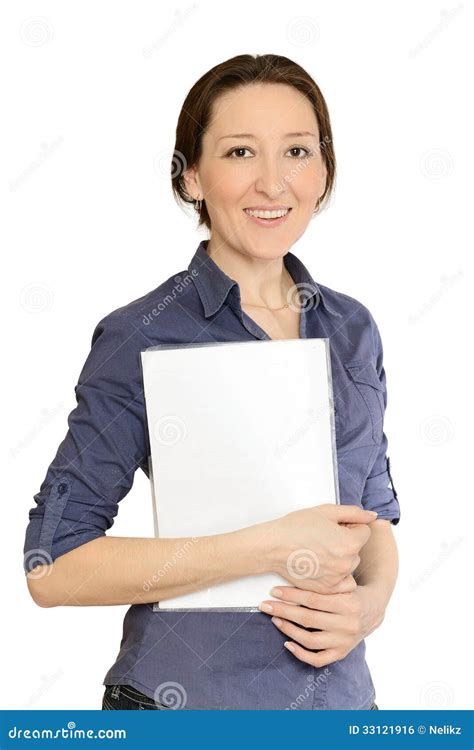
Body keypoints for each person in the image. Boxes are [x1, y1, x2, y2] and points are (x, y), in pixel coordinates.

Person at [23, 53, 400, 711]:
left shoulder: (351, 329)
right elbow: (52, 569)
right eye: (239, 153)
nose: (273, 183)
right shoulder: (143, 334)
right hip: (184, 710)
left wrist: (368, 607)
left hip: (340, 709)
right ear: (192, 176)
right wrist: (264, 548)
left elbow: (370, 522)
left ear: (324, 171)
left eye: (297, 151)